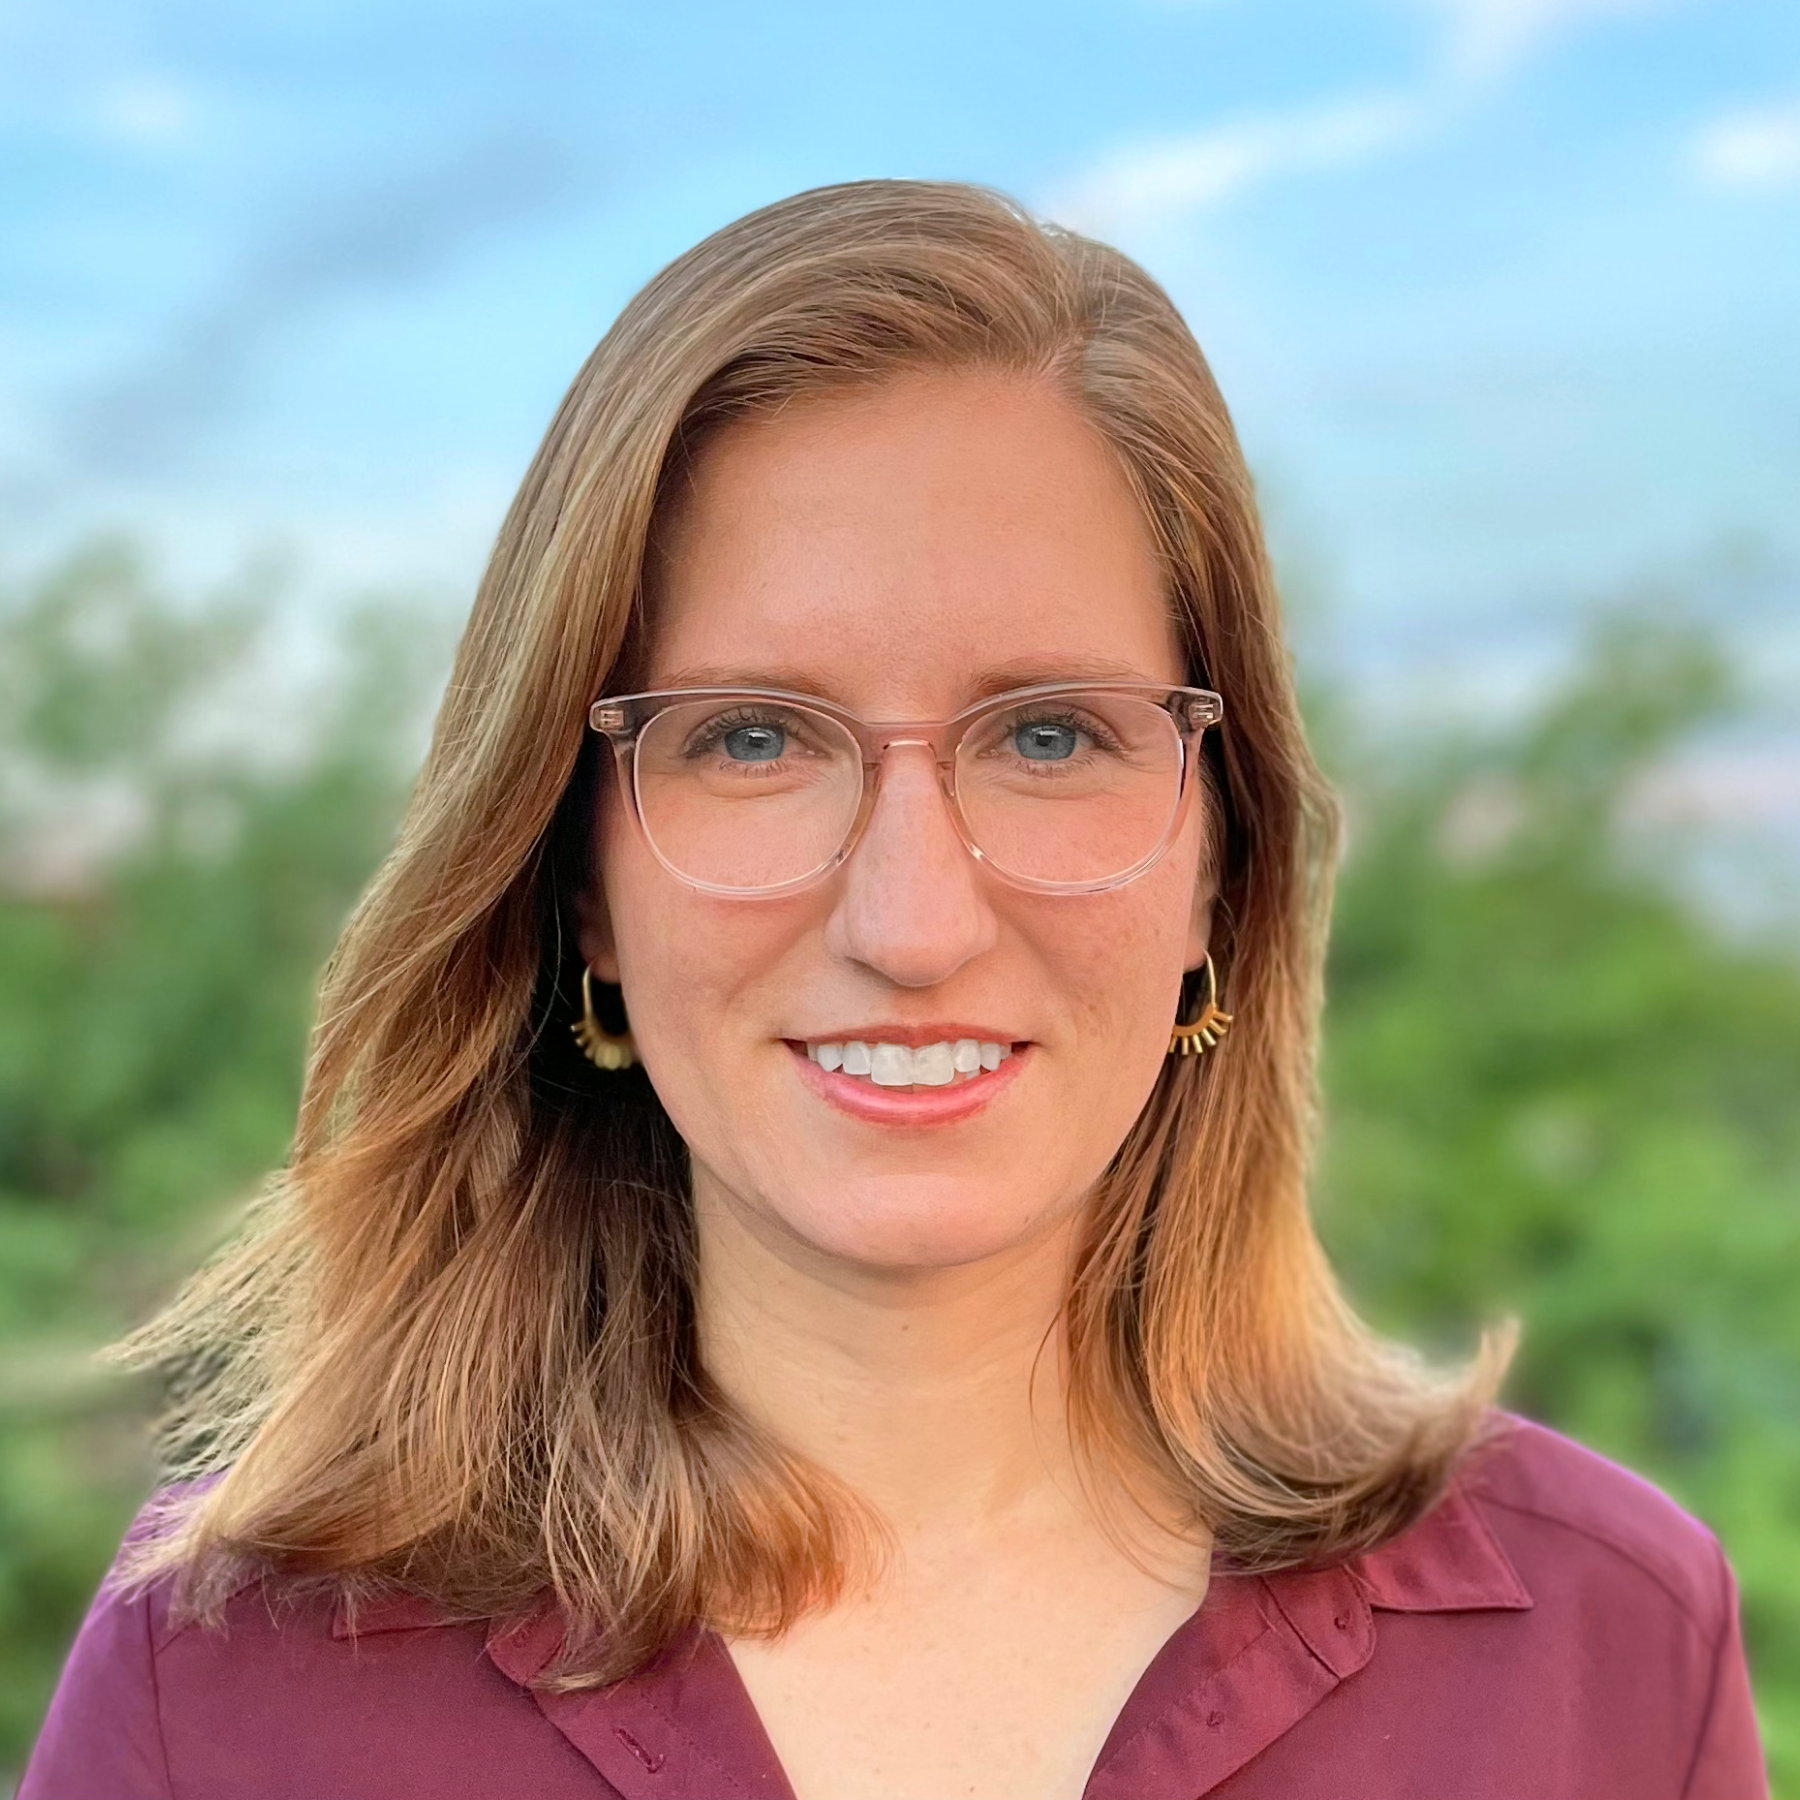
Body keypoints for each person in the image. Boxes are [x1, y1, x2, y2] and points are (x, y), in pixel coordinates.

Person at [21, 179, 1766, 1800]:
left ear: (1218, 860)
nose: (913, 921)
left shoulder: (1600, 1650)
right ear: (579, 880)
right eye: (756, 738)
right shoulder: (227, 1690)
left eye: (1051, 733)